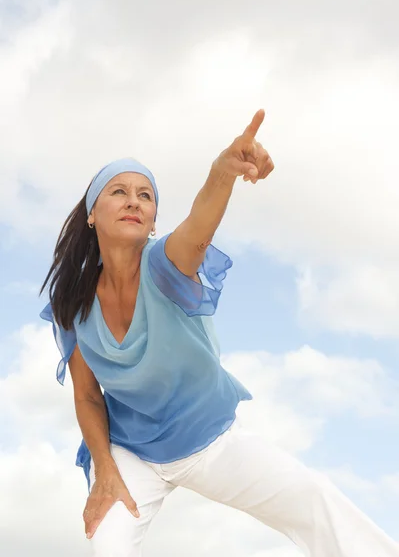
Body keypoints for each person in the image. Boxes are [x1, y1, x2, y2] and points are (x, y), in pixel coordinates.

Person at [39, 109, 399, 557]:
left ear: (152, 221)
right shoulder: (72, 301)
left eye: (145, 195)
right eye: (118, 192)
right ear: (92, 214)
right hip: (131, 452)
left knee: (313, 498)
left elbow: (198, 228)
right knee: (107, 545)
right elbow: (88, 396)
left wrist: (222, 171)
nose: (133, 201)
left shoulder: (165, 266)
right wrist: (105, 469)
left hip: (209, 440)